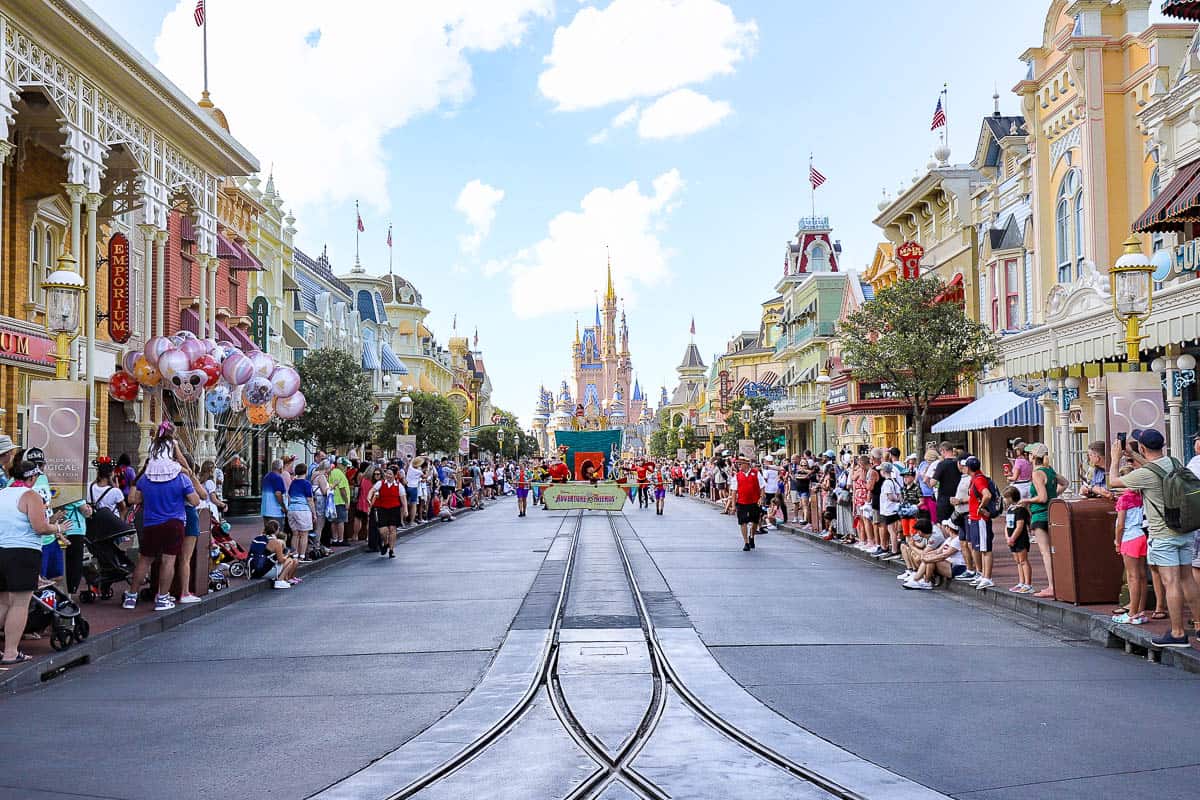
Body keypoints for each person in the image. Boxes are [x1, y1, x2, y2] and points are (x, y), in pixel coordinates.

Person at [1108, 429, 1200, 648]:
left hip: (1163, 534)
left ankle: (1177, 634)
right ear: (1163, 445)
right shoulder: (1175, 462)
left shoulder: (1144, 475)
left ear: (1142, 447)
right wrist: (1132, 453)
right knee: (1187, 578)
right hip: (1184, 529)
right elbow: (1154, 467)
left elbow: (1113, 482)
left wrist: (1115, 459)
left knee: (1171, 582)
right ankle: (1199, 625)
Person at [0, 459, 69, 664]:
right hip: (23, 552)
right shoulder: (31, 496)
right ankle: (11, 652)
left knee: (2, 601)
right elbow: (40, 527)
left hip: (1, 550)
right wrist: (58, 528)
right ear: (31, 477)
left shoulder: (2, 493)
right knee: (20, 603)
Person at [125, 455, 201, 611]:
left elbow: (136, 499)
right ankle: (162, 599)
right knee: (168, 560)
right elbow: (195, 501)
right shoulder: (181, 478)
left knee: (144, 560)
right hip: (174, 522)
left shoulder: (146, 479)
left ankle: (131, 597)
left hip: (151, 522)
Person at [1019, 443, 1067, 599]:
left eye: (1029, 454)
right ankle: (1058, 584)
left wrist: (1027, 500)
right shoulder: (1050, 470)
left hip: (1040, 515)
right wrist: (1054, 496)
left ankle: (1052, 586)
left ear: (1033, 456)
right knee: (1054, 551)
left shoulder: (1037, 473)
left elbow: (1042, 497)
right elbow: (1065, 483)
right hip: (1051, 513)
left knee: (1045, 552)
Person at [1111, 475, 1148, 625]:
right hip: (1141, 536)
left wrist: (1117, 542)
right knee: (1142, 575)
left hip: (1129, 537)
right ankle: (1140, 610)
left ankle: (1132, 613)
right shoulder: (1140, 497)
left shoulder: (1124, 500)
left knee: (1132, 577)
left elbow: (1120, 525)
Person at [176, 459, 210, 605]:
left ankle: (163, 592)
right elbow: (202, 495)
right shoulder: (186, 478)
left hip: (172, 515)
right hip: (188, 514)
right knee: (185, 558)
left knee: (168, 557)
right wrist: (192, 475)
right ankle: (184, 592)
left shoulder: (167, 475)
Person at [964, 457, 996, 590]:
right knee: (979, 547)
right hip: (976, 518)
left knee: (985, 548)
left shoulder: (978, 479)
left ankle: (987, 577)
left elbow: (986, 494)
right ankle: (983, 575)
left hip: (980, 518)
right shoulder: (976, 478)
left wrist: (981, 507)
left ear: (969, 468)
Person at [248, 520, 298, 589]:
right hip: (264, 572)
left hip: (253, 570)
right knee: (290, 560)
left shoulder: (257, 538)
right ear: (276, 530)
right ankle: (279, 581)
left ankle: (283, 580)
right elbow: (281, 560)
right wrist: (287, 555)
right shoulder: (276, 542)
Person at [1003, 486, 1033, 594]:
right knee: (1018, 561)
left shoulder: (1020, 510)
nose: (1005, 500)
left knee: (1023, 560)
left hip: (1020, 539)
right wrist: (1007, 537)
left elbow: (1020, 526)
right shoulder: (1010, 510)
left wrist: (1013, 537)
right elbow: (1007, 525)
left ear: (1011, 497)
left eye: (1006, 498)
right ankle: (1021, 582)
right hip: (1012, 539)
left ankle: (1028, 584)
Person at [369, 466, 403, 558]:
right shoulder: (381, 483)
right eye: (387, 473)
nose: (388, 475)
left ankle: (391, 550)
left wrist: (406, 510)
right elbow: (372, 490)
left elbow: (403, 497)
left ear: (395, 475)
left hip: (394, 508)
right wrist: (369, 498)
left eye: (390, 474)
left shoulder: (399, 485)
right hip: (383, 509)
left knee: (392, 529)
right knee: (382, 531)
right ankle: (386, 542)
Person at [286, 462, 316, 562]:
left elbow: (289, 496)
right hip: (303, 510)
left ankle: (294, 554)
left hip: (292, 509)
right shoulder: (306, 483)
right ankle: (302, 556)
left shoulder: (293, 483)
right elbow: (309, 499)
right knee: (304, 534)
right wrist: (314, 513)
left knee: (295, 534)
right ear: (306, 472)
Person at [733, 456, 761, 552]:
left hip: (754, 501)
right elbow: (733, 491)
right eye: (738, 464)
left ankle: (752, 536)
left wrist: (761, 498)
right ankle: (746, 542)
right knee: (743, 522)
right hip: (742, 502)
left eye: (740, 463)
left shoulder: (756, 473)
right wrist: (733, 505)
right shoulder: (737, 476)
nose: (739, 465)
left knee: (755, 522)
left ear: (746, 464)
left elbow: (762, 487)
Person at [260, 459, 287, 536]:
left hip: (266, 510)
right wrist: (284, 507)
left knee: (268, 533)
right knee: (277, 534)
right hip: (275, 512)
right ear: (280, 468)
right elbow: (278, 494)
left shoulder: (266, 476)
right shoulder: (278, 478)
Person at [328, 458, 351, 544]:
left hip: (333, 500)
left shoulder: (333, 472)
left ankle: (335, 539)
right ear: (339, 464)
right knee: (341, 521)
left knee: (334, 521)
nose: (345, 467)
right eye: (344, 465)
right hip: (340, 500)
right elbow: (342, 489)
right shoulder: (339, 473)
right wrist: (346, 501)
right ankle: (340, 539)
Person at [406, 458, 423, 525]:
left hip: (407, 487)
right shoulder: (419, 472)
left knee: (406, 504)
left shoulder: (410, 467)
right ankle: (411, 521)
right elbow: (425, 477)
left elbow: (413, 460)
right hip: (414, 488)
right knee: (413, 505)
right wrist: (428, 470)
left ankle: (405, 520)